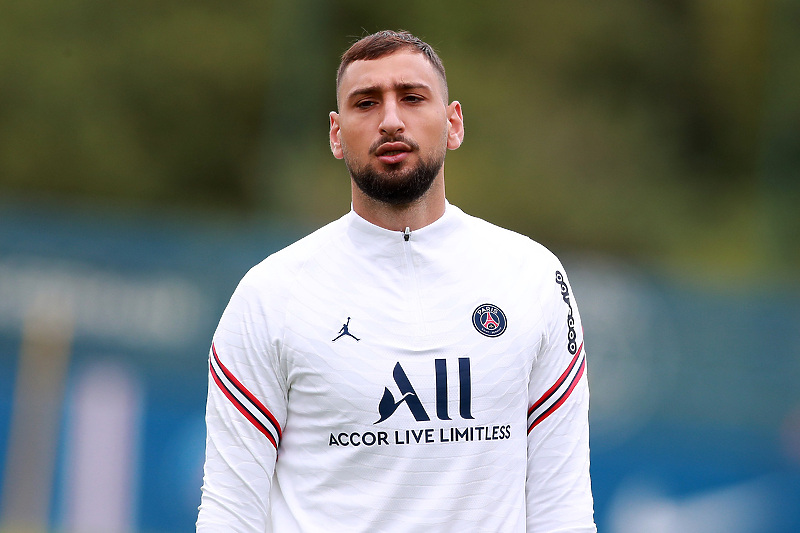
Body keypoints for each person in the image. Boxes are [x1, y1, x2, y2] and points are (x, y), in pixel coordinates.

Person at [197, 30, 596, 532]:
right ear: (336, 135)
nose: (390, 120)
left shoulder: (533, 276)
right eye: (366, 103)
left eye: (411, 97)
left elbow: (563, 508)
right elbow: (230, 513)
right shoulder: (271, 293)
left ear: (453, 124)